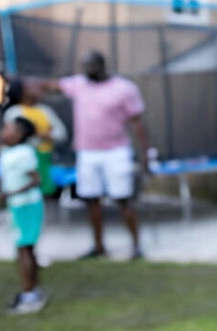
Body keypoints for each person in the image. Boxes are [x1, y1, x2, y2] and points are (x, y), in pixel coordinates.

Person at [46, 51, 149, 260]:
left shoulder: (124, 88)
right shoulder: (79, 84)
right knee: (91, 200)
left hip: (116, 151)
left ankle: (136, 245)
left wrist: (145, 154)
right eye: (83, 67)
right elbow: (51, 86)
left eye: (90, 66)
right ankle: (98, 246)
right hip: (87, 153)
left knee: (123, 199)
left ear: (101, 65)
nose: (86, 71)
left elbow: (137, 123)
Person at [0, 116, 48, 314]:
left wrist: (5, 195)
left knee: (23, 249)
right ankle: (33, 291)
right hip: (19, 206)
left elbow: (36, 180)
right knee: (26, 249)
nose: (2, 132)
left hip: (26, 206)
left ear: (20, 134)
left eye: (7, 129)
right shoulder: (9, 151)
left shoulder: (24, 153)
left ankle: (28, 296)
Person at [3, 78, 67, 196]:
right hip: (25, 162)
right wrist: (39, 133)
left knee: (47, 192)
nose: (36, 90)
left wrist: (45, 134)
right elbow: (13, 137)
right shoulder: (14, 112)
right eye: (29, 87)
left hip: (47, 160)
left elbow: (61, 133)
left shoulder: (45, 111)